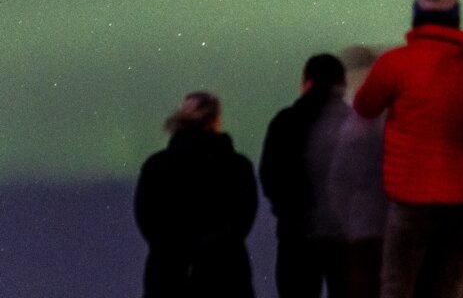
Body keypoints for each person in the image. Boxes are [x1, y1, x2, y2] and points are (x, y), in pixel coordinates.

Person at [354, 0, 463, 298]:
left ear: (416, 20)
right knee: (450, 286)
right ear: (457, 21)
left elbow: (365, 106)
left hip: (409, 197)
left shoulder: (395, 64)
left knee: (396, 285)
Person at [260, 53, 388, 298]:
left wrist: (287, 212)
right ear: (341, 84)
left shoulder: (285, 122)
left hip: (296, 233)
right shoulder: (357, 124)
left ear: (306, 82)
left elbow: (270, 174)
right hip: (347, 236)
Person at [134, 91, 258, 298]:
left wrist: (173, 249)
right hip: (226, 273)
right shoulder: (237, 166)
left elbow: (147, 218)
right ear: (215, 119)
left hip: (168, 273)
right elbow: (243, 217)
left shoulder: (157, 166)